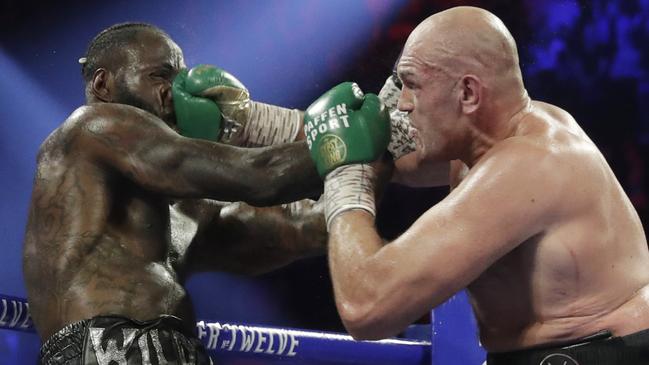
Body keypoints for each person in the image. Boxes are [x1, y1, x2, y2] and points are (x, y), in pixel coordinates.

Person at [306, 6, 649, 364]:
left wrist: (344, 175)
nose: (402, 103)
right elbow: (379, 153)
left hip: (603, 353)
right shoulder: (485, 139)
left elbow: (366, 306)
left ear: (468, 93)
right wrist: (258, 123)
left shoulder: (529, 165)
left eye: (412, 85)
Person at [23, 22, 328, 365]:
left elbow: (305, 226)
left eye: (180, 78)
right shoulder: (91, 127)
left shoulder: (183, 204)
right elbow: (259, 175)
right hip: (104, 349)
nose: (178, 92)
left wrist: (375, 160)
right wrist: (336, 134)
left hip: (177, 350)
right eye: (160, 76)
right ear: (102, 84)